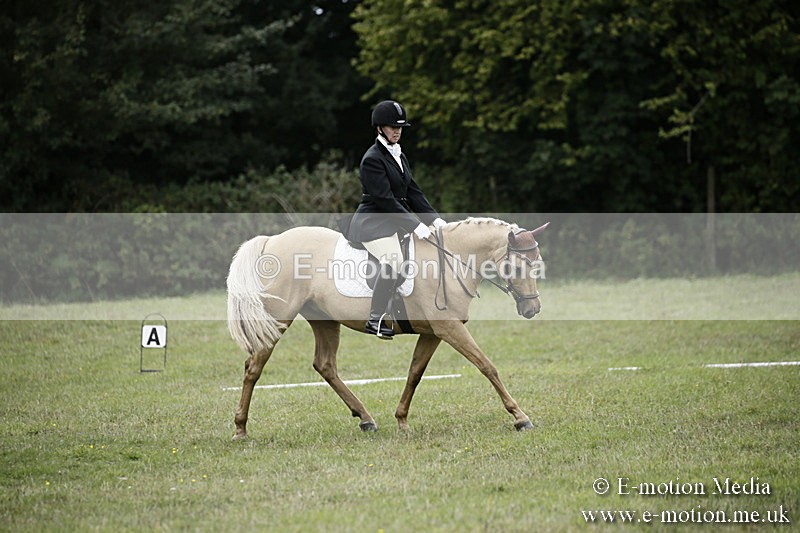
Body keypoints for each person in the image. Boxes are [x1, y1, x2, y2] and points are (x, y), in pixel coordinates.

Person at [343, 100, 446, 339]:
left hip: (393, 222)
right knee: (394, 261)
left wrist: (434, 220)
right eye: (391, 126)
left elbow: (413, 192)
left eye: (400, 126)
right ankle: (375, 319)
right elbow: (386, 201)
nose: (397, 130)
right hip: (373, 224)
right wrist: (416, 225)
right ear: (379, 128)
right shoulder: (372, 159)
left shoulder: (399, 154)